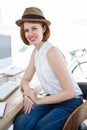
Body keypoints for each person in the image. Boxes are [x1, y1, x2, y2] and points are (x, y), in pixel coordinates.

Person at [13, 7, 83, 130]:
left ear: (44, 28)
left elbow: (70, 92)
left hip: (70, 102)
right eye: (26, 30)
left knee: (40, 128)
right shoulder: (35, 52)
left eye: (34, 28)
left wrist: (38, 100)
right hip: (51, 99)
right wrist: (28, 94)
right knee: (21, 123)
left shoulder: (52, 52)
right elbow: (25, 80)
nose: (30, 34)